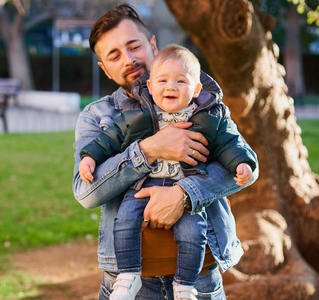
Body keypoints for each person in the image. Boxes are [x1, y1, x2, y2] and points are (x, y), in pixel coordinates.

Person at [72, 4, 259, 300]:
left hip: (200, 280)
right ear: (104, 68)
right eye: (114, 55)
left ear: (153, 44)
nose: (129, 59)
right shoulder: (98, 116)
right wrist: (148, 150)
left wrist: (185, 193)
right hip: (128, 284)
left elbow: (243, 167)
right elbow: (85, 191)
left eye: (134, 46)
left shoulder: (204, 104)